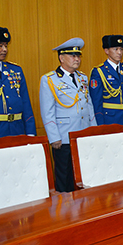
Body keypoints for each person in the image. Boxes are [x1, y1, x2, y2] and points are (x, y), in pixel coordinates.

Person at [39, 38, 96, 192]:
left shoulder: (82, 78)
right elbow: (47, 111)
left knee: (83, 174)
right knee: (65, 176)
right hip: (63, 136)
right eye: (72, 56)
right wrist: (54, 137)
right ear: (61, 58)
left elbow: (89, 106)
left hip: (83, 134)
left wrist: (93, 130)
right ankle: (65, 205)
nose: (77, 59)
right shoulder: (49, 80)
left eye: (78, 56)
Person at [89, 35, 123, 129]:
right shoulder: (99, 71)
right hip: (110, 120)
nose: (119, 52)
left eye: (121, 49)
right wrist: (100, 125)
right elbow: (96, 102)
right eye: (115, 49)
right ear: (106, 51)